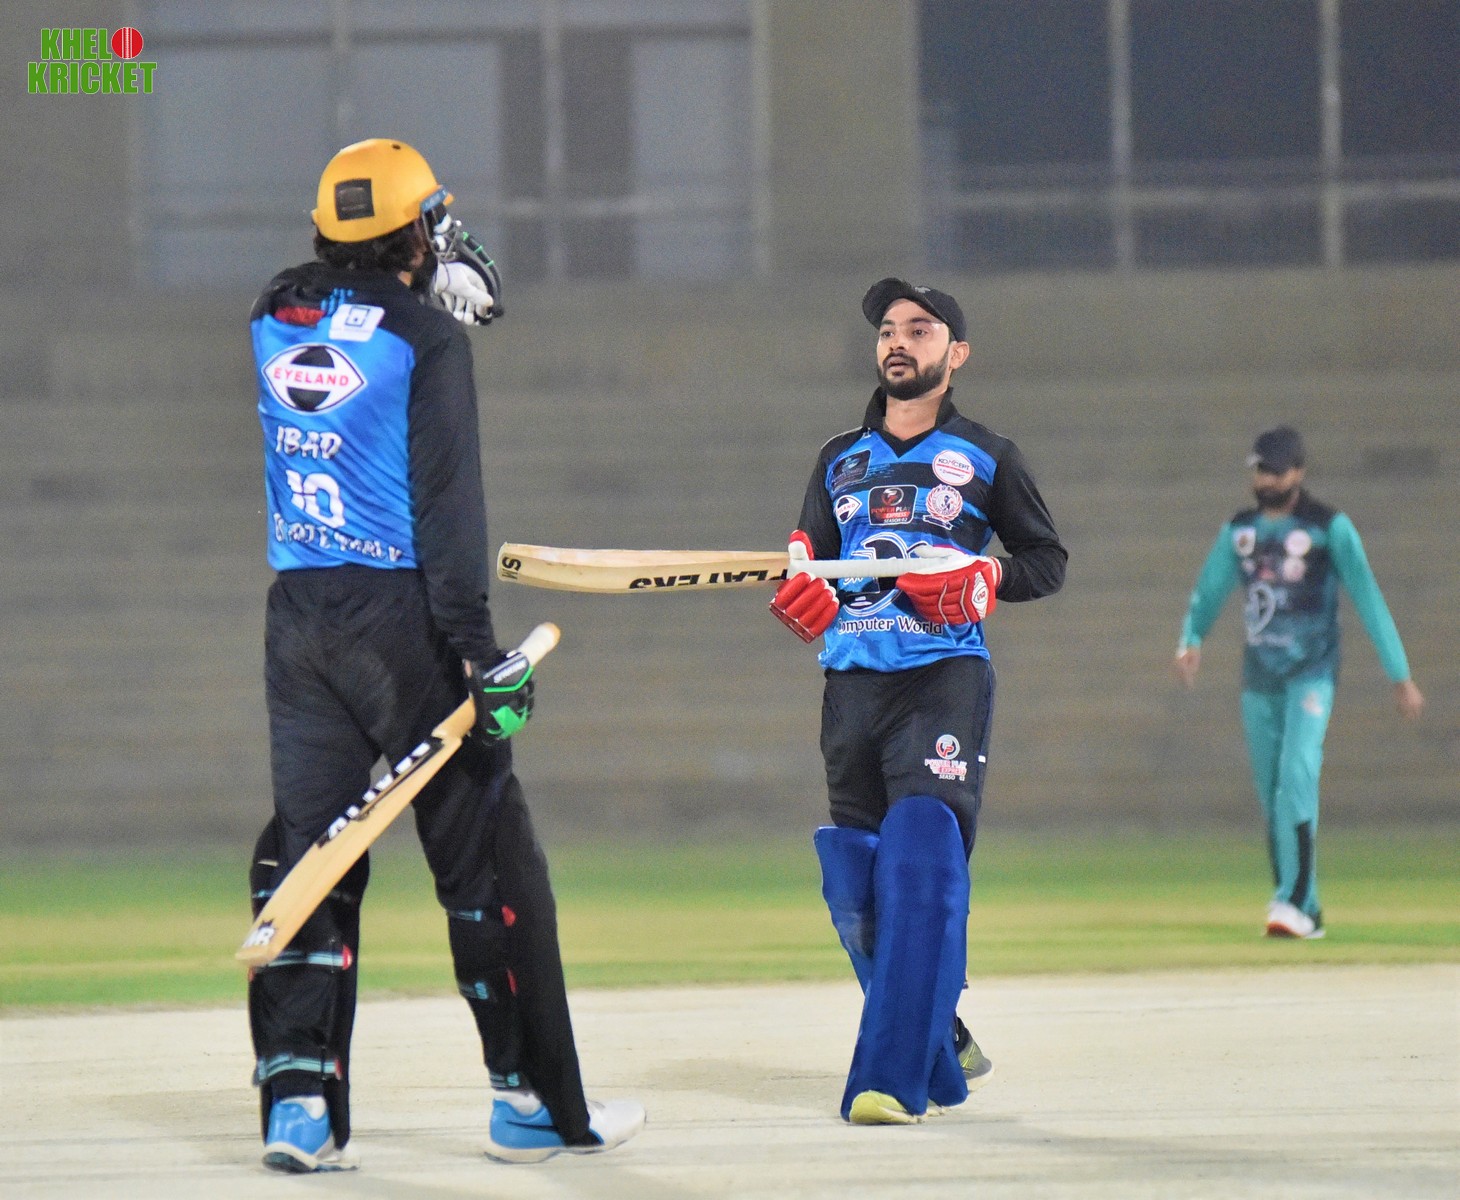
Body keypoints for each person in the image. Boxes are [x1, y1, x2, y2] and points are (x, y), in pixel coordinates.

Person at [246, 137, 643, 1173]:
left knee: (312, 852)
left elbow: (326, 297)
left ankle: (299, 1107)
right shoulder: (429, 341)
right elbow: (448, 509)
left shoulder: (272, 313)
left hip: (300, 622)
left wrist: (398, 283)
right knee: (487, 854)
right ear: (418, 232)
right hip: (403, 624)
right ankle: (532, 1102)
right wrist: (479, 653)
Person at [769, 277, 1067, 1125]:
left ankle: (889, 1080)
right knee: (856, 881)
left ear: (956, 353)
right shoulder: (837, 458)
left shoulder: (989, 455)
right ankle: (942, 1045)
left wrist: (983, 578)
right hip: (849, 684)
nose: (899, 341)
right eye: (889, 330)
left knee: (921, 854)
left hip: (942, 676)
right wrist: (804, 595)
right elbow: (810, 559)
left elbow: (1045, 561)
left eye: (921, 329)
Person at [1174, 425, 1424, 939]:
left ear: (1298, 472)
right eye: (1260, 471)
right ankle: (1297, 901)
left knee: (1297, 775)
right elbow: (1209, 589)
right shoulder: (1240, 531)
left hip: (1312, 672)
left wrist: (1399, 674)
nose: (1266, 480)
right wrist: (1191, 639)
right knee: (1271, 790)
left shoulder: (1328, 528)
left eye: (1276, 471)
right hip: (1259, 677)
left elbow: (1368, 597)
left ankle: (1296, 904)